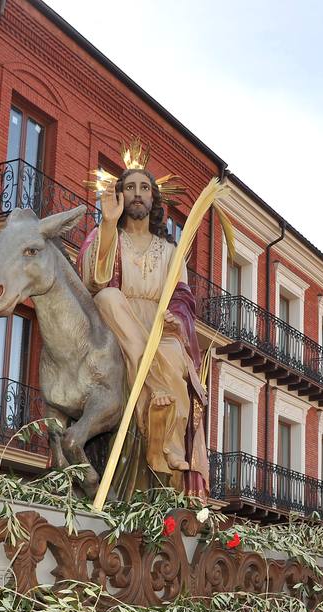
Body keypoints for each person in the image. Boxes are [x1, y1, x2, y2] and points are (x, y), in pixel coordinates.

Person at [83, 161, 208, 490]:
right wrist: (108, 225)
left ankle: (165, 446)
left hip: (158, 326)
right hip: (116, 321)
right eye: (129, 187)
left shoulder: (170, 251)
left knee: (173, 357)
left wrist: (175, 318)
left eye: (144, 188)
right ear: (119, 196)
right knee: (109, 297)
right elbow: (93, 280)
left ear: (154, 199)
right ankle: (150, 418)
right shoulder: (106, 234)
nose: (137, 194)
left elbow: (183, 297)